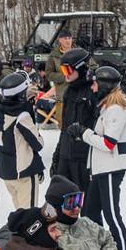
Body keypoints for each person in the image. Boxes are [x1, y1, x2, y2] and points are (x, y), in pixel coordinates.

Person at [82, 66, 126, 250]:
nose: (93, 88)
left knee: (112, 214)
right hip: (100, 170)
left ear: (104, 85)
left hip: (111, 169)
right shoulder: (105, 108)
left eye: (95, 83)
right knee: (90, 213)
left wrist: (85, 134)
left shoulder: (115, 111)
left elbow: (108, 143)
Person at [0, 69, 47, 214]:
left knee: (19, 215)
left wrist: (26, 104)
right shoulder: (22, 116)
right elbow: (38, 143)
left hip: (7, 171)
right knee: (28, 218)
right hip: (23, 171)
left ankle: (18, 236)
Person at [51, 52, 98, 192]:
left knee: (84, 203)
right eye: (63, 70)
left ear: (81, 68)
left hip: (83, 158)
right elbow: (65, 129)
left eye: (68, 70)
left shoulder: (93, 92)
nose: (65, 74)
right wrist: (57, 156)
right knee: (60, 201)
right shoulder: (68, 92)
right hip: (66, 156)